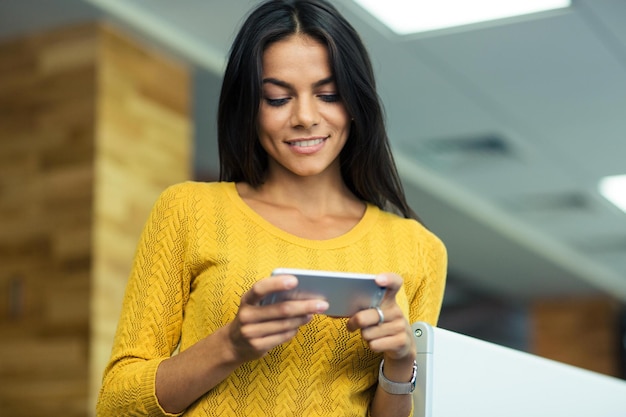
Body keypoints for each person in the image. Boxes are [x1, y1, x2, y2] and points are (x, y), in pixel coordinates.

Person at [96, 0, 447, 416]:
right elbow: (116, 404)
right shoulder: (188, 210)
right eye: (278, 99)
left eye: (328, 94)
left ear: (356, 103)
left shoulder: (419, 250)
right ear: (250, 107)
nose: (304, 117)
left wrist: (401, 363)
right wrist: (230, 345)